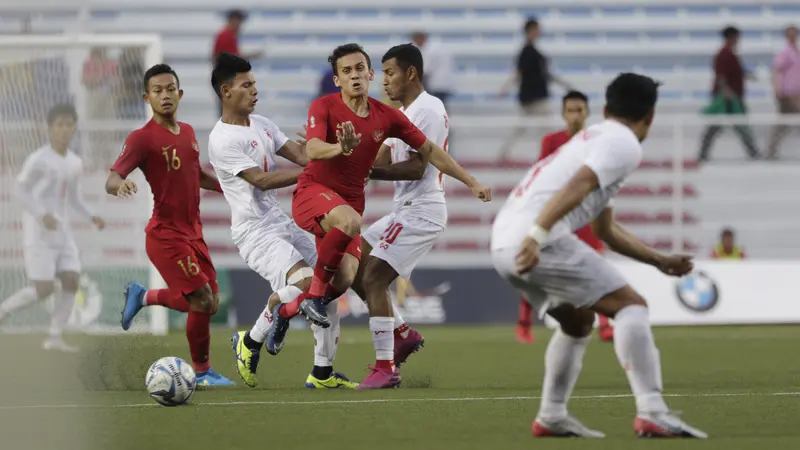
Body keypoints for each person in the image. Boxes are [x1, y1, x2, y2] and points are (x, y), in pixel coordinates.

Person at [491, 73, 707, 438]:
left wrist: (659, 260)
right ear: (650, 117)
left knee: (577, 323)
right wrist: (539, 234)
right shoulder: (623, 143)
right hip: (534, 239)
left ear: (605, 108)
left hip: (503, 241)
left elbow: (605, 229)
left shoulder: (595, 138)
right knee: (631, 306)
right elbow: (580, 185)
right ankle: (653, 411)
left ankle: (551, 415)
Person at [271, 43, 489, 389]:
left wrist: (471, 180)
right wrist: (344, 153)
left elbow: (425, 158)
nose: (375, 79)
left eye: (371, 70)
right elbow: (325, 150)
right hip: (337, 200)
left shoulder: (416, 111)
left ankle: (377, 357)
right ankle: (394, 341)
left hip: (417, 209)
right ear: (337, 78)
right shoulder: (335, 107)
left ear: (370, 74)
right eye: (348, 70)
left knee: (359, 277)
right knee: (357, 274)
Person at [207, 53, 357, 389]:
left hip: (280, 221)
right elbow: (260, 180)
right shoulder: (221, 140)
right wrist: (311, 168)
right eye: (247, 85)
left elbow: (304, 154)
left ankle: (321, 373)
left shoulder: (262, 124)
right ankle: (254, 337)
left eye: (255, 83)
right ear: (226, 92)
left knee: (327, 285)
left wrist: (337, 148)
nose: (254, 90)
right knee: (307, 284)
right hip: (254, 232)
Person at [353, 43, 492, 386]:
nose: (382, 81)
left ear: (411, 72)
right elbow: (383, 158)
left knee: (373, 278)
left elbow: (418, 167)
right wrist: (347, 160)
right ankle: (401, 332)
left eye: (389, 73)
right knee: (352, 260)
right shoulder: (401, 114)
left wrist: (368, 174)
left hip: (422, 210)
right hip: (405, 209)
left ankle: (385, 367)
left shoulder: (427, 109)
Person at [107, 64, 235, 387]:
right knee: (202, 300)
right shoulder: (142, 138)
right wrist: (119, 186)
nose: (165, 95)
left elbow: (198, 175)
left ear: (180, 94)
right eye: (157, 91)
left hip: (194, 233)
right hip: (165, 235)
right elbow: (113, 178)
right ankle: (203, 373)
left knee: (210, 302)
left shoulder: (190, 133)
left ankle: (144, 296)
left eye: (170, 89)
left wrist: (232, 186)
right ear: (147, 97)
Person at [0, 104, 106, 352]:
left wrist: (93, 216)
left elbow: (75, 199)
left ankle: (55, 338)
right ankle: (3, 310)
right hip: (38, 234)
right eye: (59, 124)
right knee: (44, 289)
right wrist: (41, 214)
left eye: (69, 124)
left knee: (71, 280)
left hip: (62, 232)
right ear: (49, 129)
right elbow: (19, 189)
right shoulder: (38, 159)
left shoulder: (75, 162)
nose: (65, 129)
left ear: (75, 128)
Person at [515, 91, 614, 344]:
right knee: (538, 268)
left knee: (596, 268)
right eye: (570, 110)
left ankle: (604, 325)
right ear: (563, 114)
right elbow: (542, 177)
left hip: (584, 214)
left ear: (587, 113)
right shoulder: (551, 141)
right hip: (556, 214)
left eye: (580, 110)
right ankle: (524, 323)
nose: (575, 116)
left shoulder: (597, 143)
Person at [498, 17, 571, 159]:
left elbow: (546, 74)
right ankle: (555, 154)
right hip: (534, 96)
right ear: (531, 30)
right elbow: (518, 72)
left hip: (532, 95)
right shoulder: (527, 52)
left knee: (522, 127)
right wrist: (505, 88)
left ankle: (504, 152)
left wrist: (564, 84)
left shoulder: (532, 51)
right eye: (537, 29)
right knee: (544, 127)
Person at [698, 26, 760, 161]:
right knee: (724, 125)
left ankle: (753, 152)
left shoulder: (731, 54)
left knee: (735, 125)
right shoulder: (723, 54)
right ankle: (753, 152)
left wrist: (747, 75)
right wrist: (727, 92)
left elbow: (736, 72)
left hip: (733, 96)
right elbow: (721, 76)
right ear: (732, 37)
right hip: (727, 98)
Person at [767, 24, 800, 159]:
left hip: (797, 93)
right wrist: (777, 89)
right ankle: (771, 151)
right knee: (784, 123)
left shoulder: (796, 52)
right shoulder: (785, 53)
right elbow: (776, 70)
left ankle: (771, 151)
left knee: (786, 123)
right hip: (788, 94)